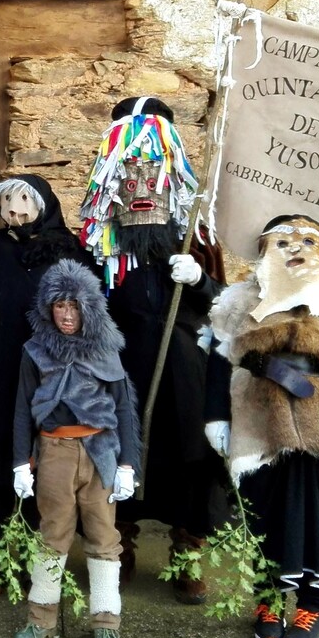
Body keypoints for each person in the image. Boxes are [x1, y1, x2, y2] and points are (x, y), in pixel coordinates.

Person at [203, 215, 319, 638]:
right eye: (282, 241)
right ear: (266, 251)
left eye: (307, 240)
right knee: (263, 510)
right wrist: (216, 417)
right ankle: (268, 598)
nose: (295, 248)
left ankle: (315, 606)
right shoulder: (236, 304)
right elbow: (217, 362)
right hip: (258, 423)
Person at [78, 95, 228, 601]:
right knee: (117, 453)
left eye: (151, 164)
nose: (141, 176)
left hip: (183, 367)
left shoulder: (195, 234)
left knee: (190, 460)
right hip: (119, 366)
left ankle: (188, 553)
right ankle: (118, 547)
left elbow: (224, 308)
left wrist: (201, 280)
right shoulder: (99, 236)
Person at [0, 175, 96, 591]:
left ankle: (40, 564)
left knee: (48, 475)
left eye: (25, 201)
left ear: (43, 203)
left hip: (50, 388)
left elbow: (88, 321)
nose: (16, 209)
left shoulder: (69, 256)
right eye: (8, 202)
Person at [10, 260, 141, 638]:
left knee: (104, 539)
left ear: (88, 309)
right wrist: (21, 463)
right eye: (59, 306)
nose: (66, 315)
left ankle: (106, 625)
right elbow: (21, 409)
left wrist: (127, 465)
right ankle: (39, 619)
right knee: (53, 536)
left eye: (74, 306)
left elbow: (123, 411)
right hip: (55, 453)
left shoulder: (106, 351)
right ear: (48, 309)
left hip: (101, 452)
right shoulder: (35, 352)